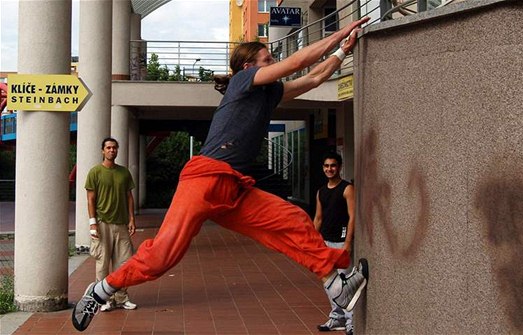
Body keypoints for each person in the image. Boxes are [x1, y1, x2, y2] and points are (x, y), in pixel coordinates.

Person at [72, 16, 371, 332]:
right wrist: (340, 33)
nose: (274, 62)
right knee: (162, 257)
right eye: (267, 59)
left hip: (235, 189)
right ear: (248, 68)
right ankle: (102, 290)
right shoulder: (242, 83)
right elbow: (298, 61)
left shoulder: (269, 93)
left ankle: (336, 286)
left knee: (294, 221)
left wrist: (342, 52)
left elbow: (312, 79)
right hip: (205, 179)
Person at [86, 137, 138, 312]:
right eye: (108, 148)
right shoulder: (95, 172)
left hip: (121, 224)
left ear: (117, 150)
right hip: (102, 224)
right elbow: (90, 199)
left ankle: (122, 297)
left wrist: (131, 219)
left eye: (114, 148)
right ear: (103, 151)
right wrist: (92, 224)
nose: (111, 150)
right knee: (102, 263)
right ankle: (104, 299)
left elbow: (129, 197)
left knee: (124, 263)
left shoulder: (124, 173)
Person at [314, 152, 355, 335]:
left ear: (339, 167)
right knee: (329, 283)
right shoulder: (321, 191)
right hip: (325, 242)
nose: (329, 169)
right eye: (326, 166)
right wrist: (312, 242)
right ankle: (336, 317)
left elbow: (352, 216)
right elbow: (318, 218)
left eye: (333, 165)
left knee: (344, 283)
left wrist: (347, 242)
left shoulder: (347, 189)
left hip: (341, 241)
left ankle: (350, 321)